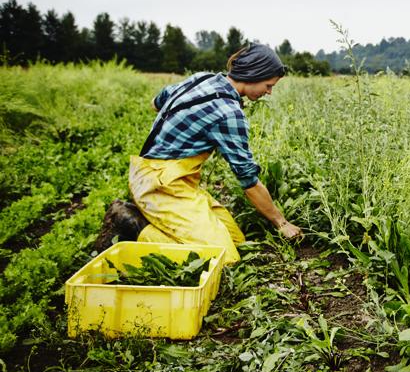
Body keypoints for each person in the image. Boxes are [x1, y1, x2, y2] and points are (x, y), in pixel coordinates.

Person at [94, 43, 302, 261]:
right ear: (254, 74)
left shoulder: (202, 78)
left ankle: (160, 223)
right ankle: (131, 224)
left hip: (170, 179)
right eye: (268, 85)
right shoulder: (229, 113)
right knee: (223, 258)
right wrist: (282, 223)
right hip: (160, 186)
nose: (269, 92)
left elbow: (156, 102)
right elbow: (248, 180)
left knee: (236, 241)